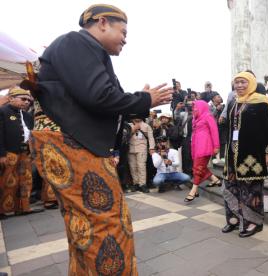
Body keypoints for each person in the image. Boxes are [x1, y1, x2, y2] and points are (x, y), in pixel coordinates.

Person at [29, 4, 173, 275]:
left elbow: (100, 99)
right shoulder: (76, 42)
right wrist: (145, 100)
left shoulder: (83, 50)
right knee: (105, 227)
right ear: (103, 22)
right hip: (72, 142)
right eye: (123, 31)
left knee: (86, 225)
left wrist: (138, 102)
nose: (125, 39)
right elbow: (101, 97)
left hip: (75, 141)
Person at [222, 71, 268, 238]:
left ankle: (254, 221)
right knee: (231, 187)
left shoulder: (261, 101)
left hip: (252, 154)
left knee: (251, 188)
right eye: (236, 82)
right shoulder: (232, 103)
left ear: (251, 83)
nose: (239, 86)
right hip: (232, 153)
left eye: (243, 82)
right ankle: (235, 218)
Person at [0, 87, 43, 219]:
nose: (26, 102)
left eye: (28, 100)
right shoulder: (2, 112)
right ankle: (2, 211)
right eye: (23, 99)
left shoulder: (27, 115)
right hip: (9, 153)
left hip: (25, 153)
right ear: (11, 98)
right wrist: (1, 154)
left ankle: (24, 207)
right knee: (7, 182)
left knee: (26, 181)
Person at [185, 100, 221, 202]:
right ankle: (215, 179)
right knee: (200, 166)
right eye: (193, 108)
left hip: (205, 146)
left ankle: (193, 190)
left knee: (198, 168)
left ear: (201, 107)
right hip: (196, 146)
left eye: (195, 107)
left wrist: (216, 146)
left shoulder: (208, 116)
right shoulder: (195, 119)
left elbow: (214, 131)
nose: (193, 109)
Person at [128, 116, 155, 193]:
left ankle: (142, 184)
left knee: (141, 166)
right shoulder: (129, 125)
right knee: (132, 167)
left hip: (142, 148)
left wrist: (151, 148)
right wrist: (133, 129)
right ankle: (135, 183)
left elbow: (151, 138)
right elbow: (125, 136)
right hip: (131, 148)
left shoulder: (146, 125)